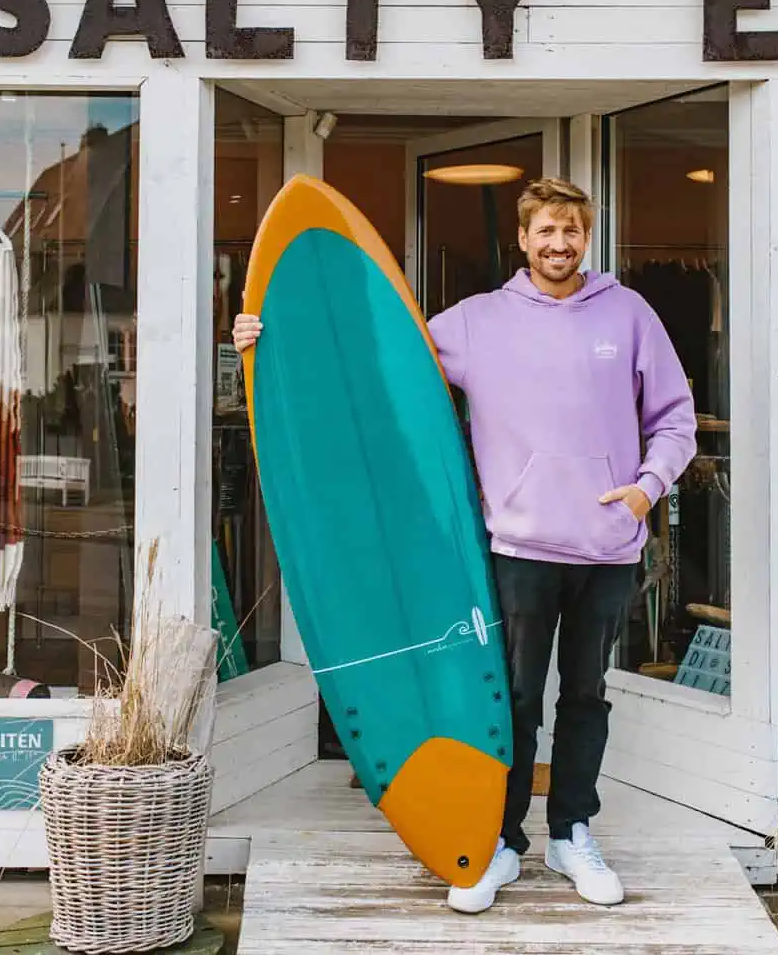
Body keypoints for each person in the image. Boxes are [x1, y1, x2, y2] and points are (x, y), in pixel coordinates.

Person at [233, 176, 697, 914]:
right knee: (512, 700)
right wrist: (269, 337)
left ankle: (572, 832)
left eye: (571, 230)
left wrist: (646, 487)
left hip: (607, 545)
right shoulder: (478, 322)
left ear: (587, 235)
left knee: (584, 696)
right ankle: (501, 841)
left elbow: (676, 417)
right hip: (518, 547)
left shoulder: (628, 314)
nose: (558, 243)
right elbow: (374, 359)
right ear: (523, 239)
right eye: (545, 230)